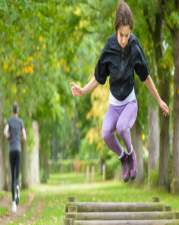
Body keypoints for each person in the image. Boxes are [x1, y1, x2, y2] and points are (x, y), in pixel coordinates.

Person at [70, 0, 169, 182]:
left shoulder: (134, 46)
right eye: (121, 35)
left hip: (130, 103)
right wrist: (83, 90)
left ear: (130, 30)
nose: (124, 40)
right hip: (114, 105)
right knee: (106, 133)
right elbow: (99, 78)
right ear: (116, 29)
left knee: (122, 127)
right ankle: (123, 157)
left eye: (127, 35)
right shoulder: (109, 47)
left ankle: (132, 155)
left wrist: (160, 100)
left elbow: (146, 76)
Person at [4, 102, 27, 213]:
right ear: (17, 111)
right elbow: (25, 137)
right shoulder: (20, 122)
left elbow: (5, 132)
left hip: (11, 150)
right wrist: (19, 139)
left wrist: (9, 137)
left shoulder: (9, 121)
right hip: (18, 149)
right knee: (17, 175)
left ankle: (14, 203)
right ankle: (18, 186)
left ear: (12, 111)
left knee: (12, 176)